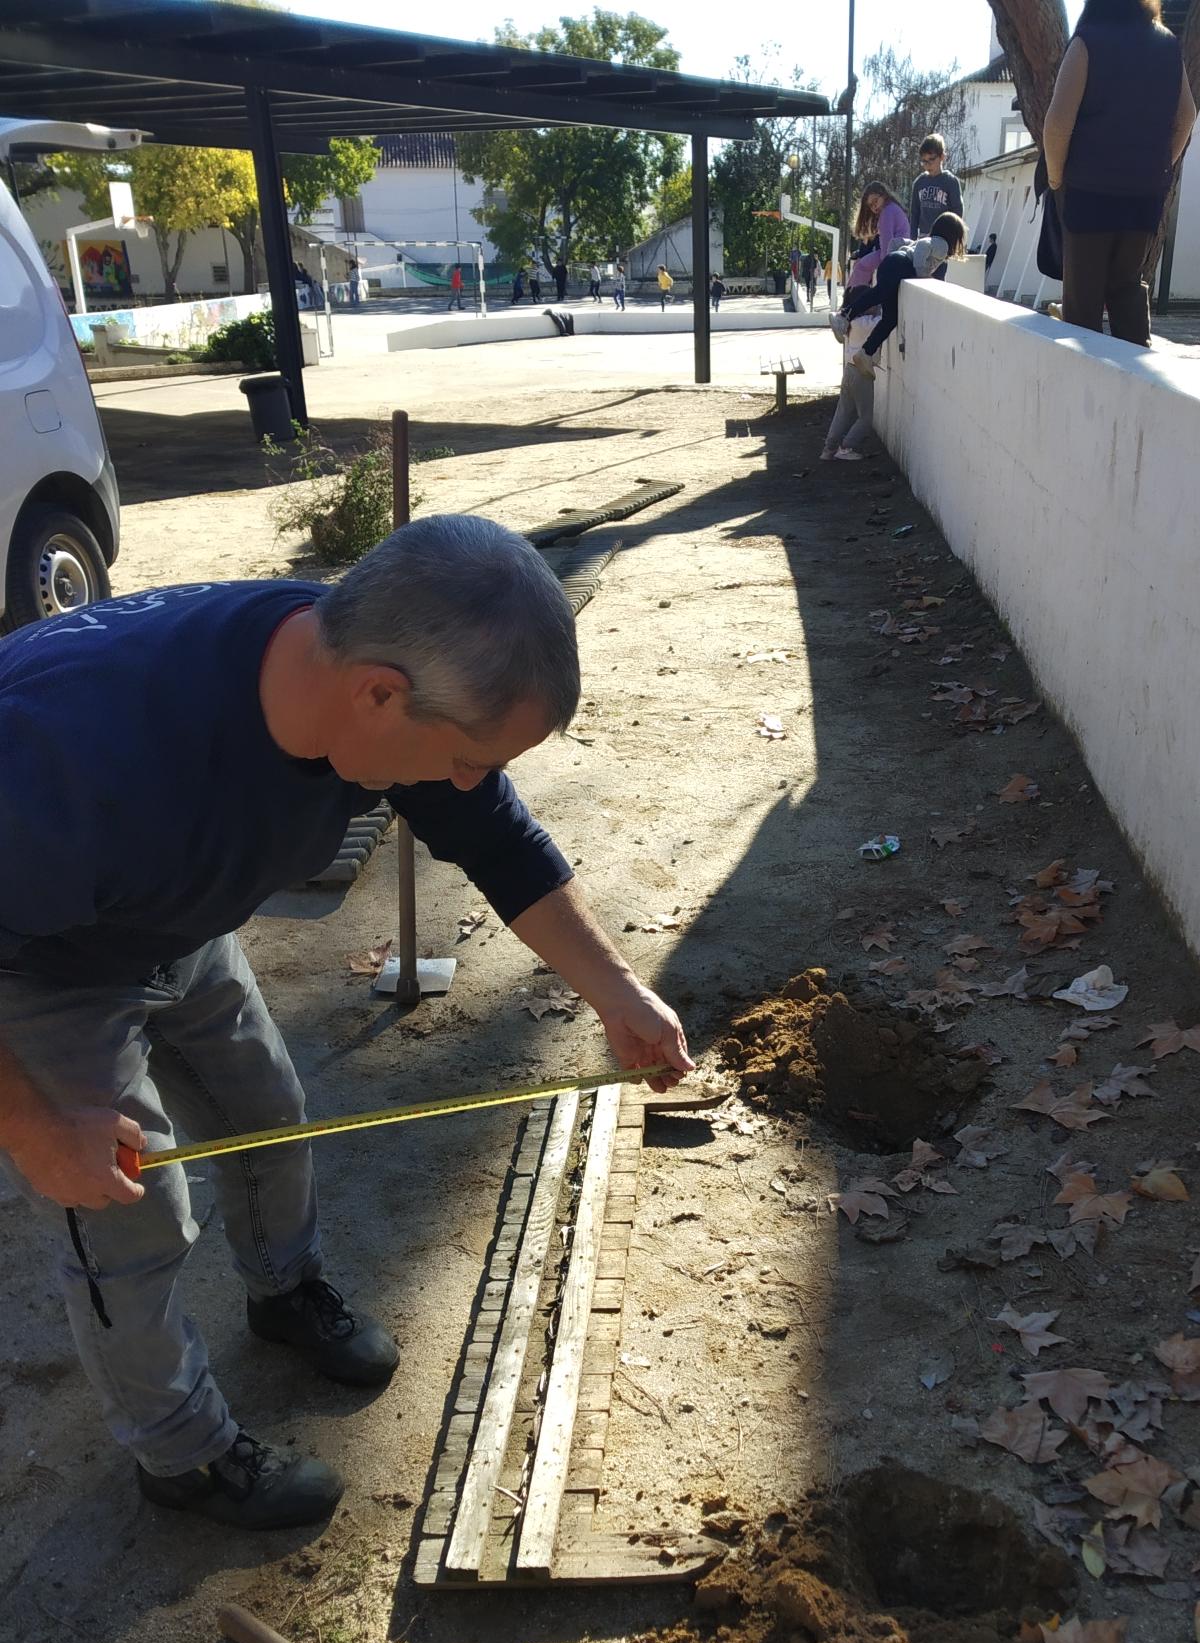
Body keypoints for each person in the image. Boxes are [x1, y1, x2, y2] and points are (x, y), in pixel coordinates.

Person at [0, 518, 692, 1531]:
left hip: (174, 914)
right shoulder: (65, 754)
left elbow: (500, 840)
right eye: (467, 758)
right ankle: (180, 1455)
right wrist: (32, 1127)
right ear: (377, 693)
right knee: (127, 1215)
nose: (468, 781)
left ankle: (284, 1293)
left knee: (268, 1111)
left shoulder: (370, 667)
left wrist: (620, 993)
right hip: (38, 965)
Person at [1043, 0, 1197, 347]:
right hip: (1144, 194)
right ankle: (1136, 367)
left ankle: (1083, 376)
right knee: (1127, 285)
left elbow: (1058, 124)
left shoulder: (1087, 42)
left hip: (1089, 192)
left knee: (1083, 297)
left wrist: (1056, 178)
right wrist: (1161, 166)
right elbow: (1186, 116)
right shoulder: (1168, 45)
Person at [846, 213, 966, 379]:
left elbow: (896, 242)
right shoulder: (941, 244)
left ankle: (866, 352)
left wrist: (892, 257)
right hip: (901, 265)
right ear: (953, 235)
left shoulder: (929, 245)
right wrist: (921, 274)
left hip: (893, 262)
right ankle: (845, 314)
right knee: (879, 294)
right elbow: (923, 246)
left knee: (890, 318)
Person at [821, 309, 881, 462]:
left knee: (842, 412)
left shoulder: (851, 321)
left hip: (849, 368)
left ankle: (829, 449)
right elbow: (886, 321)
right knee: (865, 418)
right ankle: (847, 447)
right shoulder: (869, 323)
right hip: (862, 370)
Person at [909, 135, 964, 280]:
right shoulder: (919, 183)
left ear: (942, 157)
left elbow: (957, 212)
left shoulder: (950, 181)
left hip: (941, 240)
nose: (928, 165)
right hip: (922, 238)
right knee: (918, 276)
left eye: (931, 159)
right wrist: (912, 238)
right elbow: (914, 213)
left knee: (937, 278)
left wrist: (953, 241)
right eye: (924, 161)